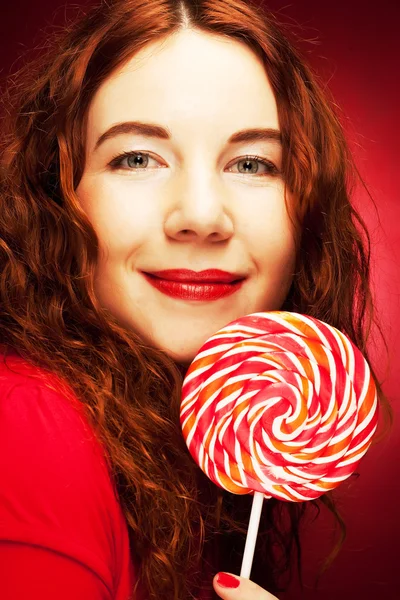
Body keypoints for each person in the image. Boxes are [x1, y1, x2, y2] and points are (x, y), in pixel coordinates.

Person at [0, 0, 392, 599]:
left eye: (253, 163)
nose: (202, 216)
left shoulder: (161, 453)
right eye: (137, 157)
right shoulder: (28, 430)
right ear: (57, 193)